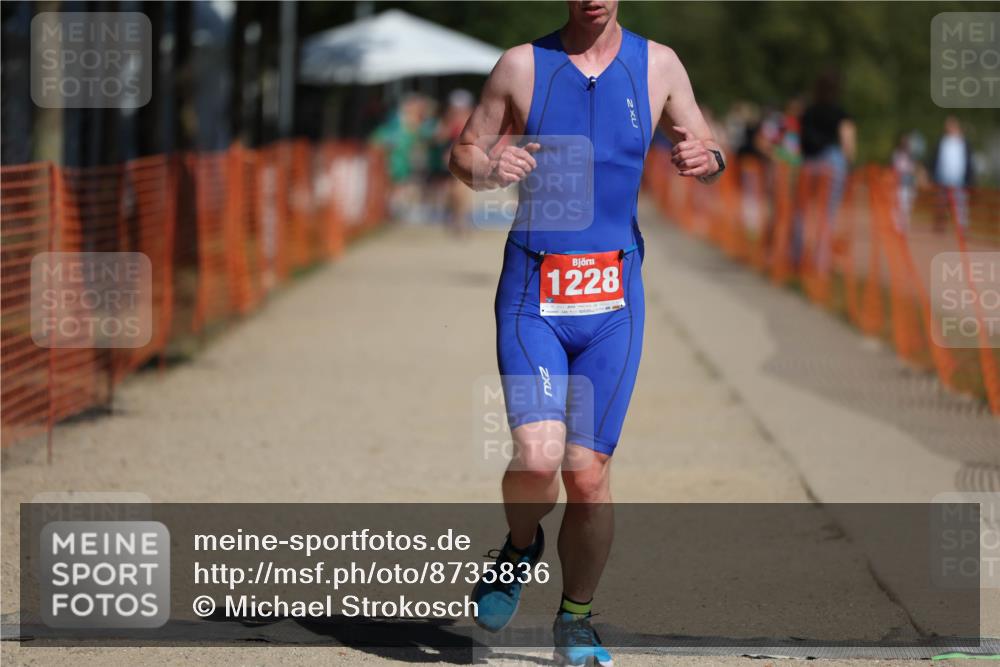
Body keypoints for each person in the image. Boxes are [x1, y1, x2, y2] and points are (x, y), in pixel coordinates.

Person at [449, 2, 724, 664]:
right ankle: (519, 547)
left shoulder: (658, 66)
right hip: (534, 293)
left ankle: (576, 619)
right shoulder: (522, 65)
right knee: (538, 457)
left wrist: (705, 157)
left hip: (613, 299)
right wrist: (488, 169)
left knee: (588, 474)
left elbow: (711, 147)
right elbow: (463, 151)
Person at [797, 70, 855, 273]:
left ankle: (797, 257)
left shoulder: (808, 112)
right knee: (827, 215)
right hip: (832, 164)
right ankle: (819, 264)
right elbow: (848, 144)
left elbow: (801, 140)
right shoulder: (841, 113)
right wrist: (849, 167)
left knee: (802, 212)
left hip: (809, 165)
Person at [930, 115, 975, 231]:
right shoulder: (942, 141)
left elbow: (969, 161)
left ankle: (961, 228)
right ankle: (940, 225)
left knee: (961, 205)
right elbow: (935, 159)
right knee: (940, 203)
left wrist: (970, 178)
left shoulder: (964, 142)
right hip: (942, 178)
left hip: (960, 179)